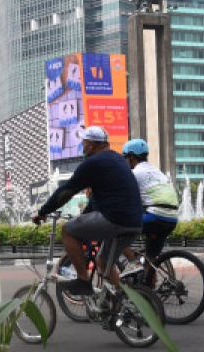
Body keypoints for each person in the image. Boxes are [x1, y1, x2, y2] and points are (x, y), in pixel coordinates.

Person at [32, 126, 142, 295]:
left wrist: (43, 211)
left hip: (114, 220)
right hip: (134, 223)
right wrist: (83, 219)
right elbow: (97, 201)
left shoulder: (92, 163)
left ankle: (83, 280)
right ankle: (121, 302)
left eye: (83, 142)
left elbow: (66, 191)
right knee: (103, 262)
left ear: (90, 145)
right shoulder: (118, 159)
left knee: (67, 230)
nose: (82, 146)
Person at [121, 138, 179, 274]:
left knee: (115, 232)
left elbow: (123, 197)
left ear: (131, 157)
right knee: (151, 259)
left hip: (155, 217)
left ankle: (134, 263)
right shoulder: (157, 171)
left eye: (125, 158)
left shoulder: (135, 173)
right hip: (171, 219)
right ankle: (149, 289)